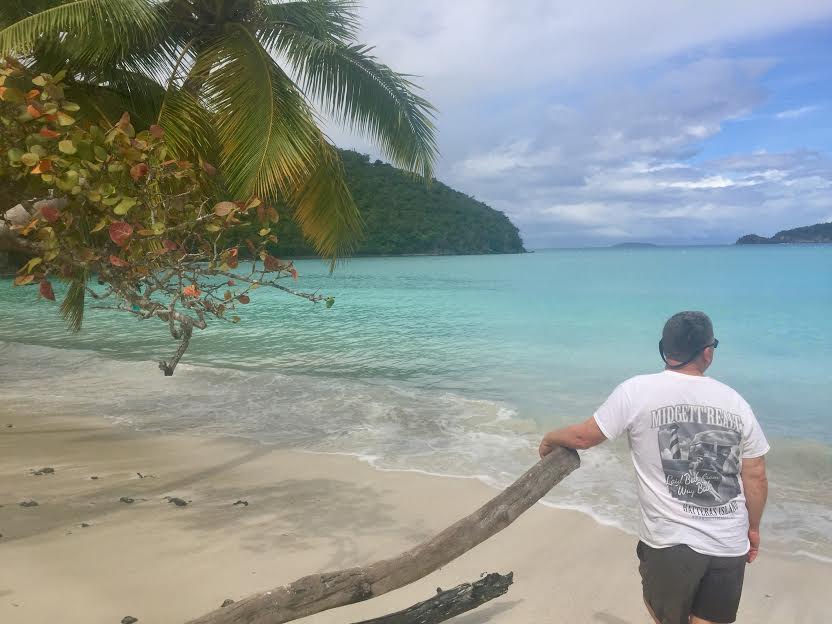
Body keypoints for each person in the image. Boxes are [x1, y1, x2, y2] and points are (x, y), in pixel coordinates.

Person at [539, 311, 769, 624]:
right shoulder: (736, 402)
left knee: (664, 613)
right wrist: (753, 528)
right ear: (708, 352)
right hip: (728, 542)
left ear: (664, 348)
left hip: (671, 540)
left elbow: (584, 437)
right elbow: (755, 476)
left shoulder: (636, 391)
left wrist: (550, 437)